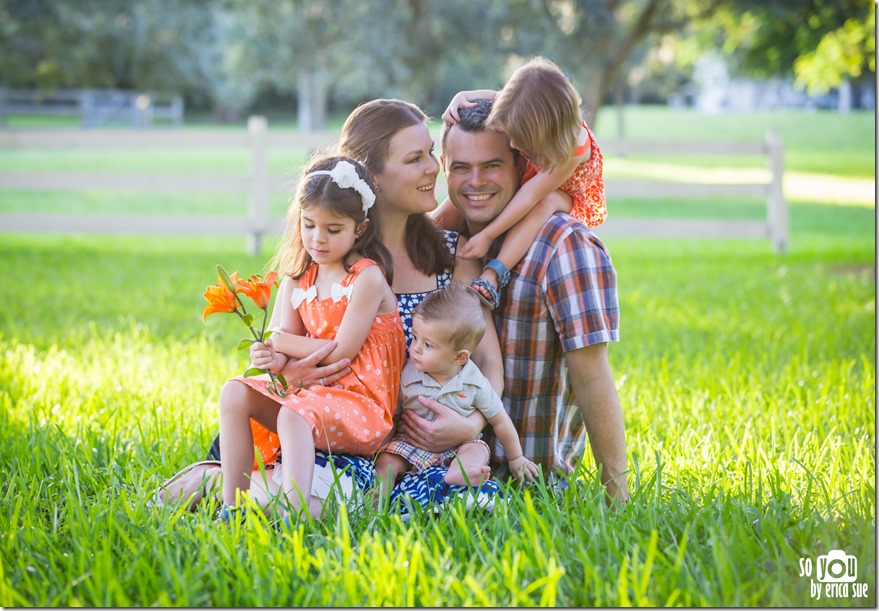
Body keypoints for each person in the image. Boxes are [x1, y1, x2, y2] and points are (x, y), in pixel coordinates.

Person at [157, 99, 504, 517]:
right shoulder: (327, 263)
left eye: (431, 152)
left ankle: (240, 485)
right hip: (331, 430)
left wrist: (472, 425)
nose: (434, 167)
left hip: (406, 446)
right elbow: (294, 352)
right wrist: (288, 369)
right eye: (416, 158)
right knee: (299, 503)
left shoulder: (451, 254)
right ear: (369, 178)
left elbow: (484, 358)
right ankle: (234, 484)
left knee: (455, 503)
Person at [405, 97, 629, 504]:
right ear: (444, 169)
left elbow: (592, 374)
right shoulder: (443, 245)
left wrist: (619, 498)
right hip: (438, 477)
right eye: (460, 167)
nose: (476, 182)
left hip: (532, 484)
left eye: (492, 165)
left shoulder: (566, 247)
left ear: (522, 168)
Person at [218, 154, 407, 522]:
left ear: (360, 228)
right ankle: (232, 507)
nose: (317, 239)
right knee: (235, 392)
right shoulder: (297, 277)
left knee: (293, 415)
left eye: (333, 229)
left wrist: (279, 342)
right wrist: (271, 358)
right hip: (312, 395)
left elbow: (339, 352)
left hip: (362, 404)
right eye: (308, 225)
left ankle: (293, 511)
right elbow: (282, 344)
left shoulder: (366, 279)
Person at [434, 56, 607, 311]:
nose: (513, 145)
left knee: (542, 205)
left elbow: (530, 195)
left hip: (563, 191)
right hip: (536, 175)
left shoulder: (571, 151)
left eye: (518, 137)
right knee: (460, 196)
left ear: (542, 129)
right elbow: (495, 95)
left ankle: (494, 274)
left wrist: (487, 236)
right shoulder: (527, 104)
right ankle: (414, 236)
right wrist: (462, 95)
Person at [374, 282, 538, 501]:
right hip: (412, 442)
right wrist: (383, 444)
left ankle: (460, 473)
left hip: (459, 446)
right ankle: (378, 497)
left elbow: (500, 420)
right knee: (387, 460)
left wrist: (516, 458)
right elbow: (394, 413)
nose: (416, 349)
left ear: (460, 357)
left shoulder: (474, 383)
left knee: (477, 450)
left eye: (428, 345)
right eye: (415, 337)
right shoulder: (409, 374)